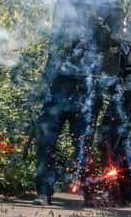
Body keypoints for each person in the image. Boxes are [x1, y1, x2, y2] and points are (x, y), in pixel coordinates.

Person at [33, 24, 97, 206]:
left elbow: (96, 60)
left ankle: (89, 192)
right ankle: (43, 191)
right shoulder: (59, 31)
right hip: (56, 92)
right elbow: (51, 60)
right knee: (46, 142)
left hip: (80, 93)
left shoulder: (91, 26)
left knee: (83, 144)